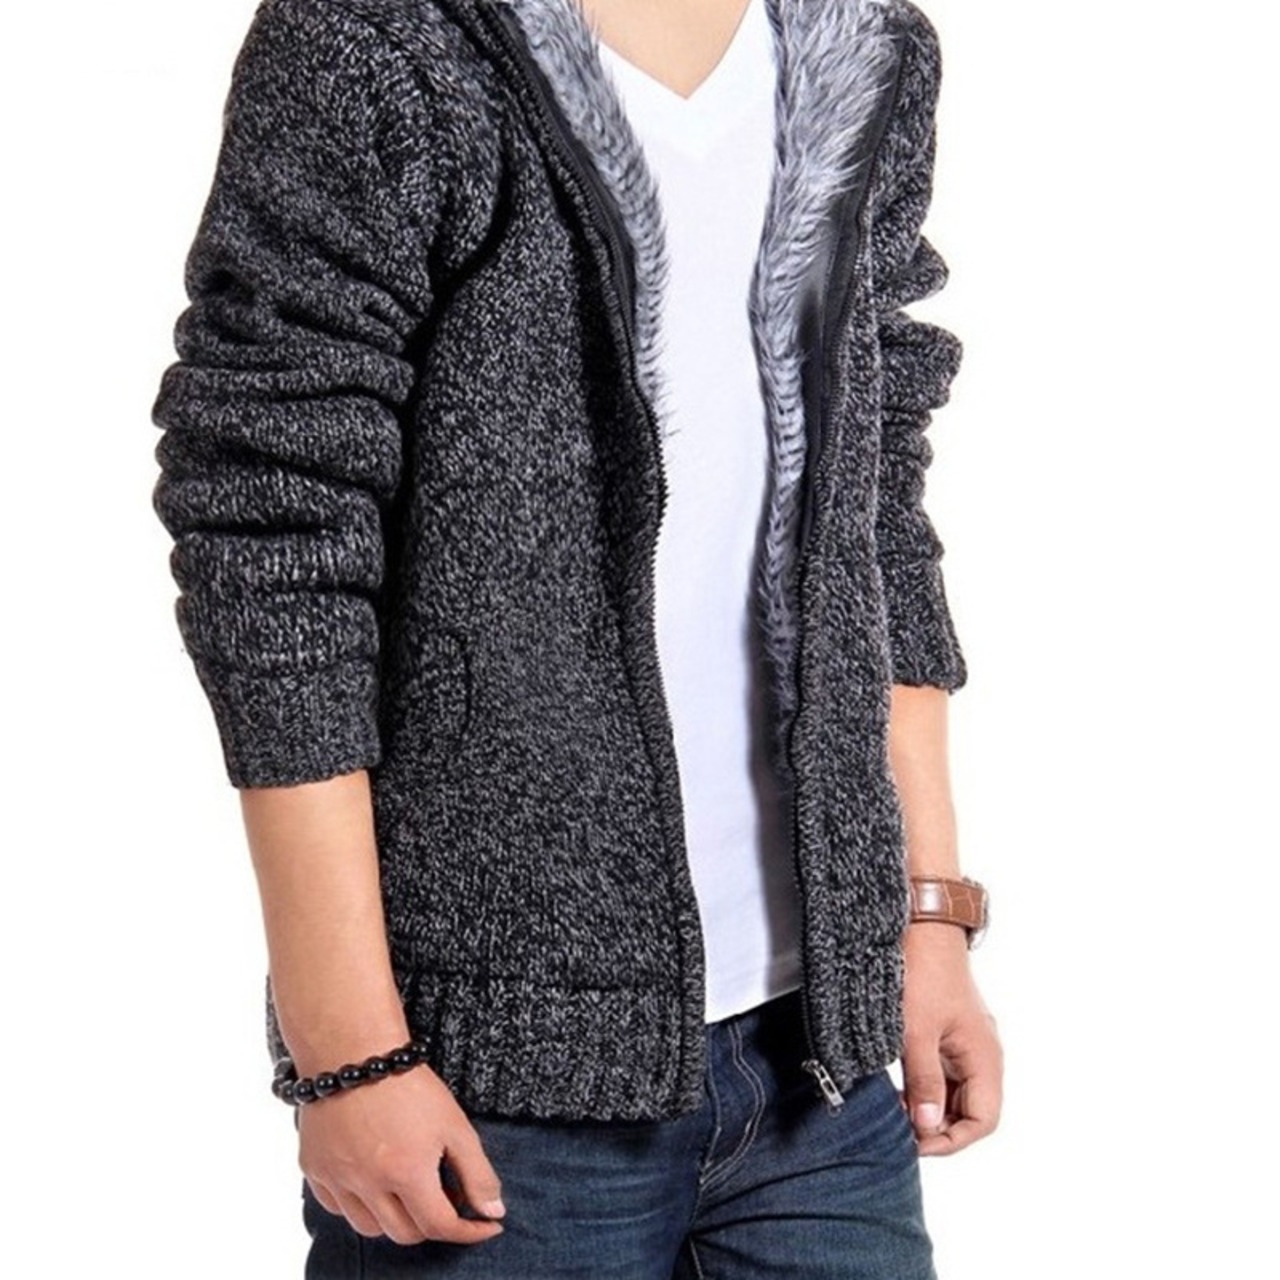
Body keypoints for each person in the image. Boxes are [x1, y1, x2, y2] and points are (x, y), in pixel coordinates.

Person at [150, 0, 1003, 1274]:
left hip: (817, 1061)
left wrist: (924, 915)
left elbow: (873, 491)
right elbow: (272, 534)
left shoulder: (863, 39)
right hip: (493, 1083)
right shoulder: (378, 42)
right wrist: (347, 1049)